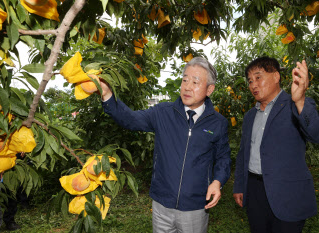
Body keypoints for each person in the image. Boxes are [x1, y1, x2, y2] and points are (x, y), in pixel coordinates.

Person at [97, 57, 231, 232]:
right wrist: (107, 94)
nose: (187, 87)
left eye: (195, 82)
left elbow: (223, 158)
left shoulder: (217, 123)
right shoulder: (163, 113)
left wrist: (217, 181)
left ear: (209, 89)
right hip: (162, 204)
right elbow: (131, 119)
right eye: (185, 80)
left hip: (195, 206)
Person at [233, 57, 319, 233]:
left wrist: (300, 100)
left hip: (288, 193)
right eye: (250, 81)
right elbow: (243, 153)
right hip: (255, 190)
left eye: (258, 77)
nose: (253, 85)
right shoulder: (250, 116)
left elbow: (315, 134)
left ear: (276, 76)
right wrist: (239, 186)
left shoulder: (296, 104)